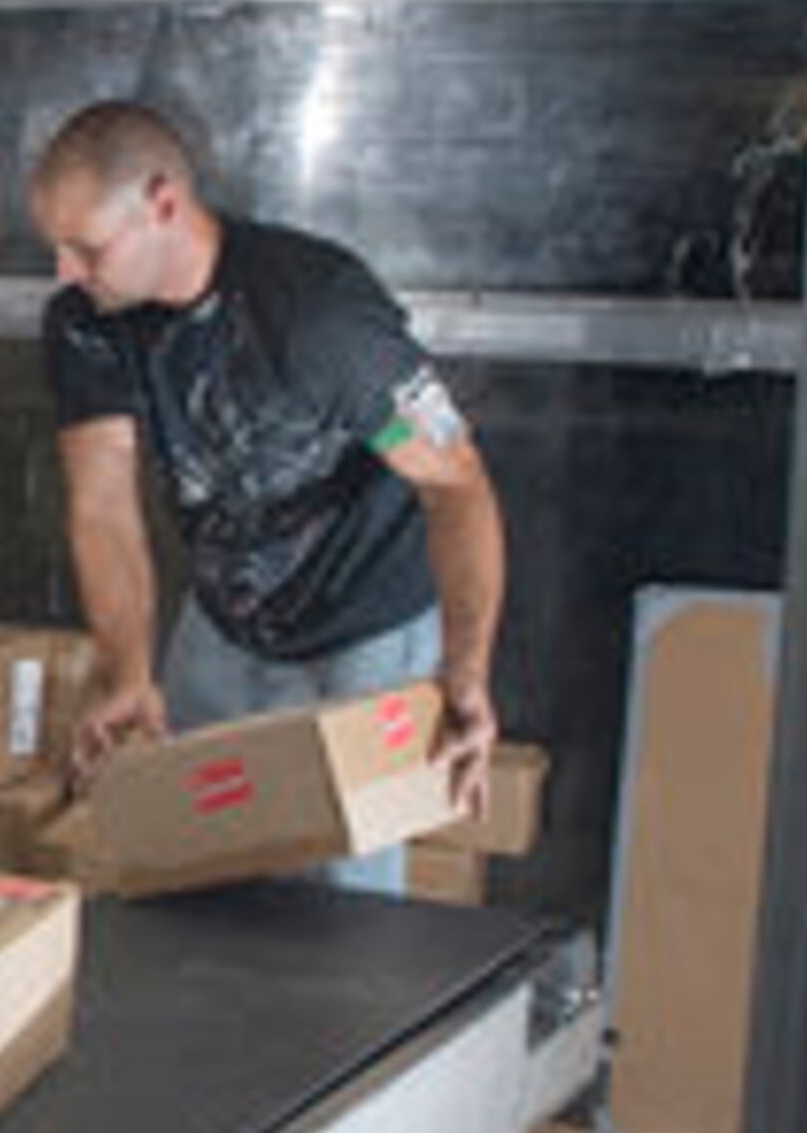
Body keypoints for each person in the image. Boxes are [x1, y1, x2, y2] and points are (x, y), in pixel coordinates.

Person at [29, 100, 503, 889]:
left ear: (163, 205)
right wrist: (128, 671)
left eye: (86, 248)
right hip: (229, 613)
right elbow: (102, 506)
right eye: (56, 248)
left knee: (341, 897)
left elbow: (456, 483)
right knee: (188, 858)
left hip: (365, 621)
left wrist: (466, 672)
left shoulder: (320, 317)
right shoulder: (86, 324)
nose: (66, 272)